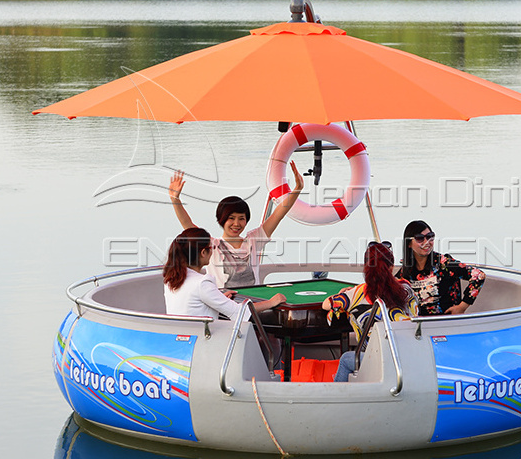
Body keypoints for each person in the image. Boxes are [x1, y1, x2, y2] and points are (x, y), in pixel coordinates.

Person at [168, 163, 303, 290]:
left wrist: (297, 189)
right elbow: (188, 225)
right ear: (221, 219)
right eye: (231, 218)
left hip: (253, 304)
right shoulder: (212, 245)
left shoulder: (254, 240)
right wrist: (175, 200)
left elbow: (278, 214)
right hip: (223, 305)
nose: (236, 224)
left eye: (241, 219)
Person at [323, 242, 418, 382]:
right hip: (407, 357)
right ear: (391, 267)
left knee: (346, 359)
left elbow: (326, 304)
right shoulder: (406, 289)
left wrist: (343, 293)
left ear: (366, 268)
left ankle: (337, 399)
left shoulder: (355, 294)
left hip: (376, 362)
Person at [163, 227, 286, 319]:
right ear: (203, 253)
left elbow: (195, 305)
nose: (212, 252)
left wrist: (220, 298)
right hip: (205, 343)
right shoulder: (202, 283)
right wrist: (271, 302)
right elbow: (239, 312)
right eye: (211, 248)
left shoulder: (171, 279)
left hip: (182, 343)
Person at [396, 220, 485, 316]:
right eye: (420, 238)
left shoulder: (444, 263)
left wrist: (462, 307)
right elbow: (390, 288)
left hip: (446, 325)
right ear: (409, 243)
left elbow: (478, 275)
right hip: (420, 326)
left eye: (430, 236)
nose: (427, 242)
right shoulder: (406, 271)